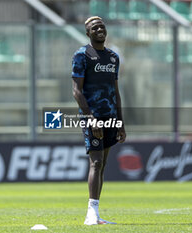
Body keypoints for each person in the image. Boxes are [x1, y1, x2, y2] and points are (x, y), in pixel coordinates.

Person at [71, 16, 126, 225]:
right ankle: (90, 213)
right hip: (91, 116)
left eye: (102, 26)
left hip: (110, 116)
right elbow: (76, 91)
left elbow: (116, 92)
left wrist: (120, 122)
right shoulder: (82, 55)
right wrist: (90, 117)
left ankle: (96, 213)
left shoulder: (113, 57)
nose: (99, 29)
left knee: (102, 165)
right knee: (95, 162)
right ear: (88, 33)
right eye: (94, 28)